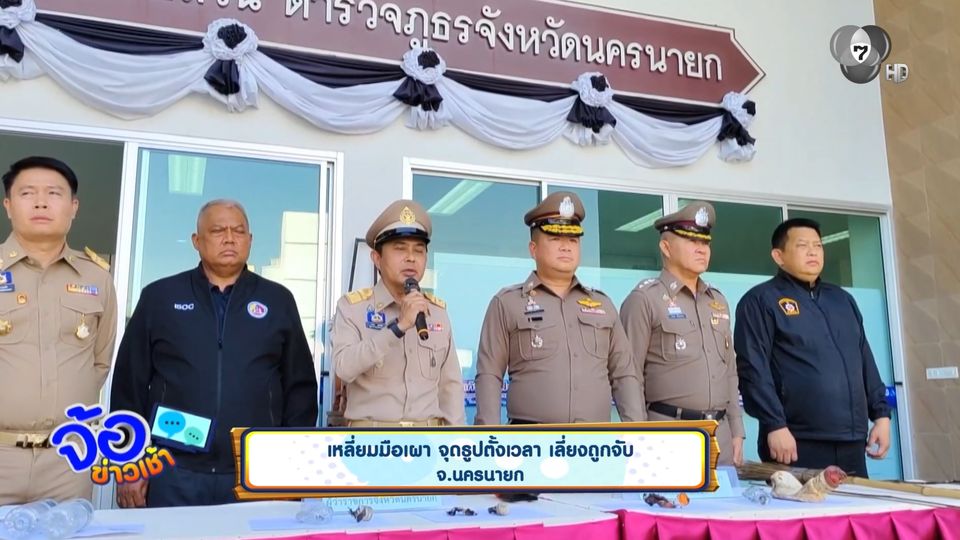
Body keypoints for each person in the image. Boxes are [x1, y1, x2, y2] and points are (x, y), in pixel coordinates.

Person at [110, 199, 318, 507]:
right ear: (197, 241)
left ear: (250, 240)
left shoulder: (278, 300)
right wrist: (129, 463)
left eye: (239, 231)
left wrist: (290, 466)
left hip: (257, 471)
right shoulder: (160, 297)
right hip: (172, 470)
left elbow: (300, 390)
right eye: (218, 230)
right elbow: (129, 385)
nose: (230, 238)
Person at [0, 156, 118, 504]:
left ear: (73, 207)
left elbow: (99, 362)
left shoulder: (96, 277)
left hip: (68, 459)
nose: (41, 202)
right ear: (8, 206)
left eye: (53, 193)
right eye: (27, 193)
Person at [735, 218, 891, 477]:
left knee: (853, 504)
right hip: (795, 441)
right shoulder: (761, 301)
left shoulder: (842, 300)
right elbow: (753, 368)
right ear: (778, 256)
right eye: (802, 245)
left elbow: (864, 360)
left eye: (818, 246)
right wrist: (774, 424)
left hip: (851, 440)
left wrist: (881, 416)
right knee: (803, 504)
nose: (813, 252)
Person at [474, 191, 645, 426]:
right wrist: (489, 436)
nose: (566, 247)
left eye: (573, 240)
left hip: (594, 440)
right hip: (532, 439)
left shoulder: (603, 305)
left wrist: (639, 432)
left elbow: (624, 375)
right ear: (533, 249)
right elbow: (489, 375)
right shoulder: (507, 303)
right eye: (555, 238)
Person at [620, 202, 745, 466]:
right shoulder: (645, 299)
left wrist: (737, 430)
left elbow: (730, 371)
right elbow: (629, 375)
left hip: (719, 436)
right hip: (668, 435)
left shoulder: (717, 301)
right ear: (666, 248)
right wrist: (637, 436)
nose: (702, 249)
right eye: (691, 241)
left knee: (723, 495)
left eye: (705, 242)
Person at [331, 200, 464, 427]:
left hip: (427, 439)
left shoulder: (437, 313)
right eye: (400, 248)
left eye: (418, 250)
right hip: (372, 440)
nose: (411, 258)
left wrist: (455, 440)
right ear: (377, 258)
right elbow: (344, 368)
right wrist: (398, 327)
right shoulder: (352, 308)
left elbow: (450, 387)